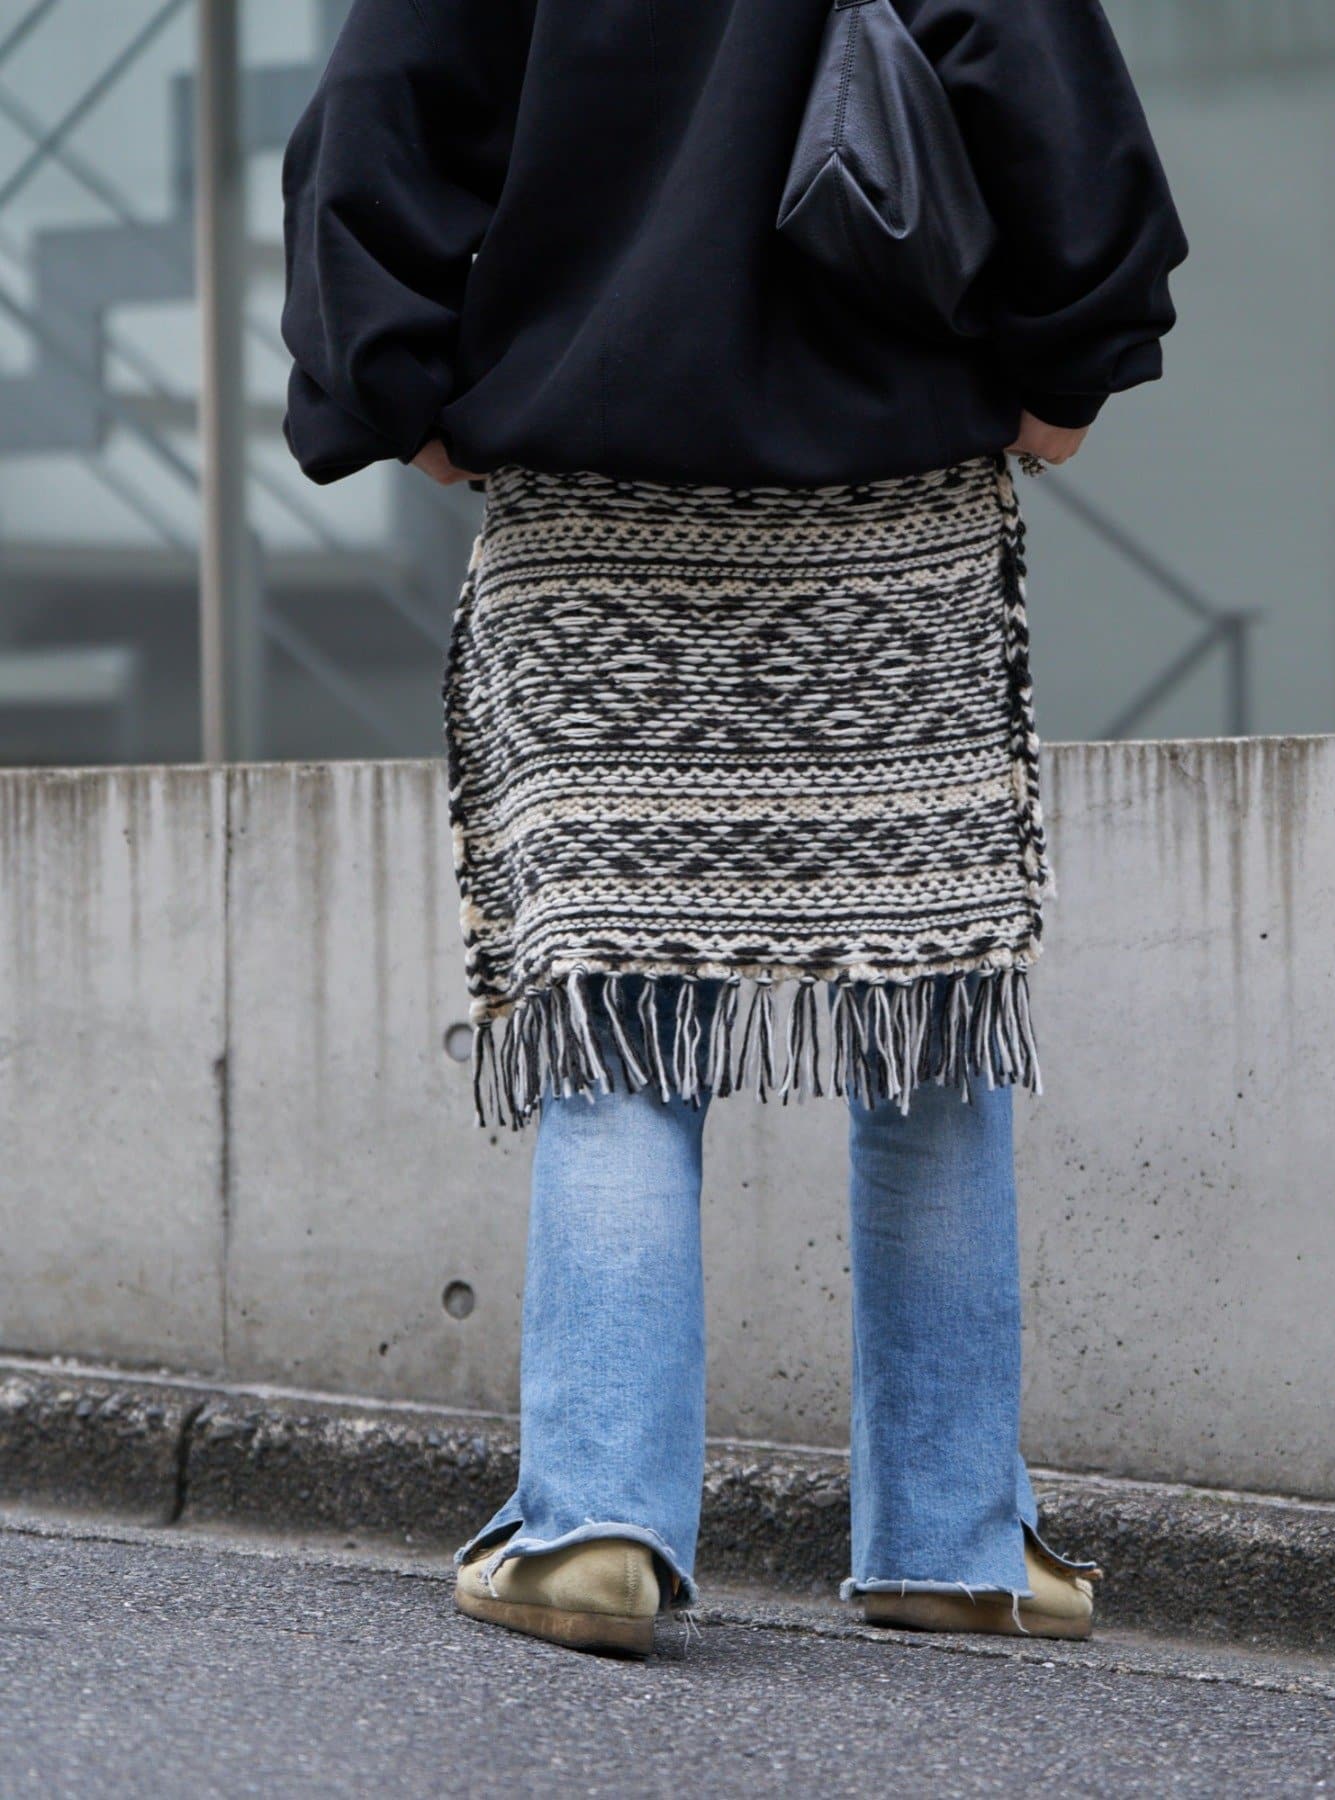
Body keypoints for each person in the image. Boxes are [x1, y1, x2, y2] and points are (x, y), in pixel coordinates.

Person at [282, 0, 1186, 1658]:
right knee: (928, 1014)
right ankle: (955, 1539)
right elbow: (1034, 72)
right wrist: (1072, 360)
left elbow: (377, 118)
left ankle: (594, 1529)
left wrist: (399, 387)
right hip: (889, 496)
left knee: (620, 1016)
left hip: (589, 498)